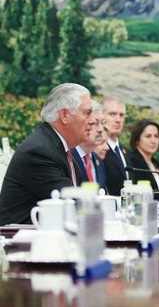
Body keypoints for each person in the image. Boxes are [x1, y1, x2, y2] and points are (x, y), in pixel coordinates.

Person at [0, 83, 95, 225]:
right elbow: (71, 205)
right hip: (24, 242)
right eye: (87, 113)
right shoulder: (39, 152)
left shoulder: (58, 148)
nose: (92, 120)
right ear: (64, 115)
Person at [72, 102, 108, 192]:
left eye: (102, 123)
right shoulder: (67, 157)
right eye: (94, 123)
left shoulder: (99, 160)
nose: (101, 129)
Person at [127, 119, 159, 191]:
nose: (153, 141)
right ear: (137, 139)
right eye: (148, 136)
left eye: (156, 136)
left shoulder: (156, 162)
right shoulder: (133, 160)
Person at [102, 96, 129, 195]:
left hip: (125, 206)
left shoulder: (126, 152)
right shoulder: (97, 150)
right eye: (112, 114)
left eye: (121, 115)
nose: (118, 120)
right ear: (101, 116)